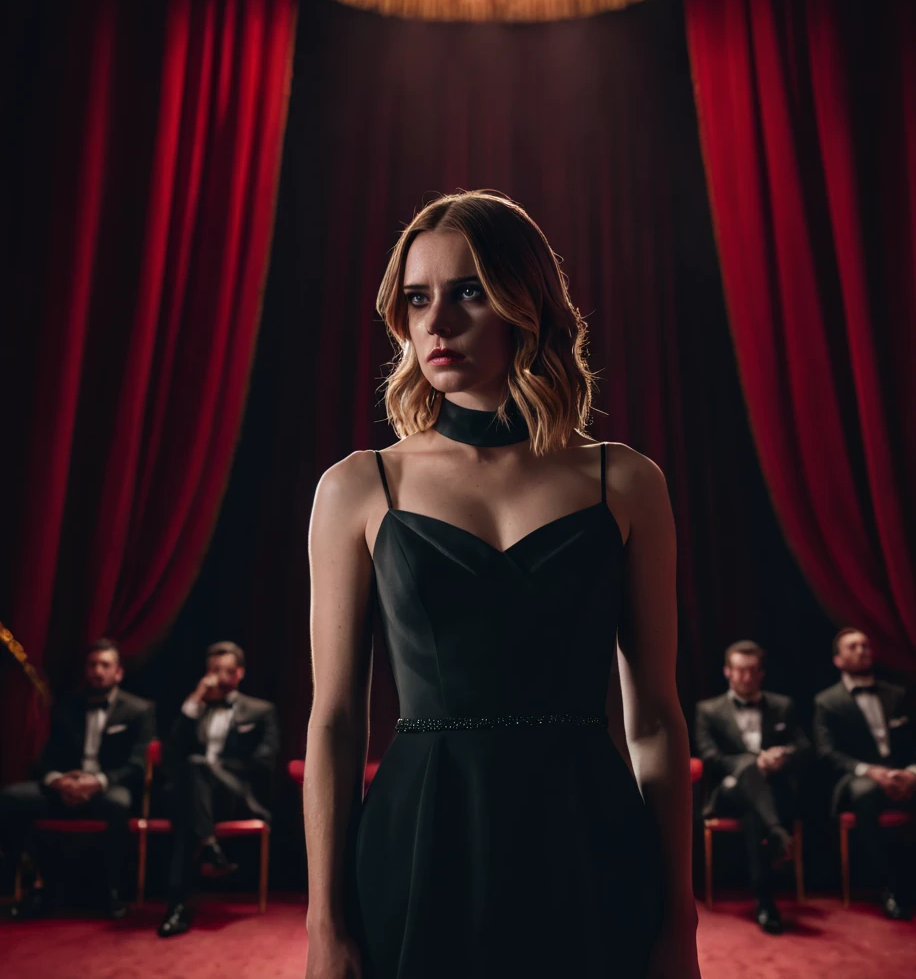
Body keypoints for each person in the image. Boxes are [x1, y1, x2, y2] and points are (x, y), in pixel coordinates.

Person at [303, 191, 701, 979]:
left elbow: (654, 717)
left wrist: (678, 921)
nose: (437, 323)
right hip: (418, 846)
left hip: (591, 845)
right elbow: (337, 723)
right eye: (418, 298)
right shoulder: (358, 486)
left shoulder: (624, 481)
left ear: (527, 304)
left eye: (469, 292)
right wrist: (324, 925)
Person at [814, 627, 916, 920]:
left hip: (906, 778)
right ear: (838, 660)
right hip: (861, 780)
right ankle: (891, 886)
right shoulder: (827, 701)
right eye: (853, 647)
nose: (862, 650)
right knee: (865, 794)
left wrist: (912, 774)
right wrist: (871, 772)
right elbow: (827, 753)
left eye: (865, 645)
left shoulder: (896, 693)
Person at [0, 637, 155, 920]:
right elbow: (44, 760)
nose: (98, 671)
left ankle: (113, 893)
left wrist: (96, 782)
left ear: (118, 672)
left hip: (107, 788)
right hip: (65, 788)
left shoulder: (139, 710)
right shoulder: (67, 706)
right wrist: (57, 781)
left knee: (118, 805)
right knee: (11, 798)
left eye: (105, 665)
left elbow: (136, 765)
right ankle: (24, 888)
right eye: (93, 664)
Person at [157, 641, 280, 937]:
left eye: (227, 671)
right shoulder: (195, 709)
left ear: (239, 673)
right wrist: (196, 700)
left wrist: (214, 769)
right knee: (189, 809)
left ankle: (179, 903)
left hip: (234, 796)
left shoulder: (261, 710)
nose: (220, 677)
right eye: (214, 671)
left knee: (197, 769)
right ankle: (204, 855)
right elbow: (171, 753)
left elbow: (264, 762)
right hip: (195, 798)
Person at [694, 640, 810, 934]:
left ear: (761, 674)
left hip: (772, 795)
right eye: (740, 671)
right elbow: (710, 758)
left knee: (755, 816)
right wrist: (755, 762)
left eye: (752, 671)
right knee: (748, 771)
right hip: (728, 793)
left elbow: (804, 748)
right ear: (727, 672)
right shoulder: (708, 710)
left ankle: (765, 900)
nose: (746, 677)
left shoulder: (783, 705)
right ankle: (777, 836)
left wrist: (782, 756)